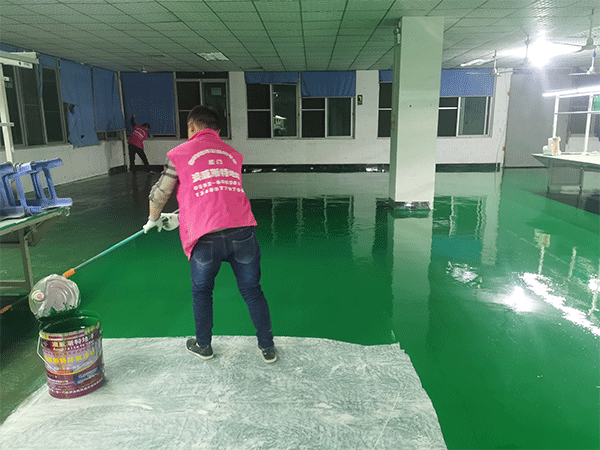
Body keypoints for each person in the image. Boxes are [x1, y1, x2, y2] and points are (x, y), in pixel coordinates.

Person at [143, 105, 276, 363]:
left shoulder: (179, 154)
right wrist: (181, 215)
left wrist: (153, 219)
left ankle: (203, 346)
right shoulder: (232, 154)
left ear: (192, 127)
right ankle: (267, 347)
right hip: (242, 232)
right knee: (252, 291)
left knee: (202, 292)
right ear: (217, 130)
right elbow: (221, 192)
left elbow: (161, 193)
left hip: (206, 237)